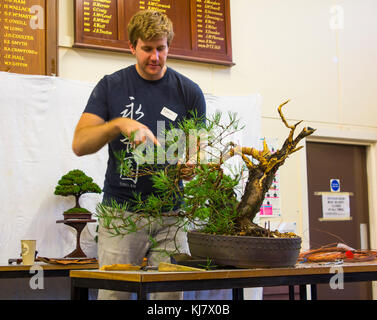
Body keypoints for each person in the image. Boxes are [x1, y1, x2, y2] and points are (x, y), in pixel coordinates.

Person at [72, 9, 206, 300]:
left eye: (161, 48)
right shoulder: (111, 86)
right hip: (121, 213)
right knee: (113, 295)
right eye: (147, 49)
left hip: (171, 215)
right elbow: (80, 144)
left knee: (169, 301)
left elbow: (196, 148)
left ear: (169, 46)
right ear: (132, 47)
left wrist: (191, 163)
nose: (155, 57)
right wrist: (120, 124)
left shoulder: (190, 92)